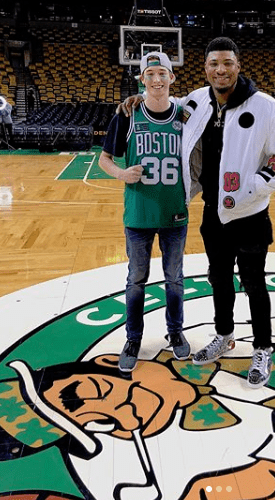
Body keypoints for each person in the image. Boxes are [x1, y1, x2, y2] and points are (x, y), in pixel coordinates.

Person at [118, 37, 275, 387]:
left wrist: (253, 187)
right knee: (218, 279)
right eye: (214, 64)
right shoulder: (197, 100)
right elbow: (166, 103)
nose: (220, 70)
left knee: (254, 283)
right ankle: (224, 335)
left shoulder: (266, 107)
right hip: (212, 212)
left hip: (250, 215)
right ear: (205, 68)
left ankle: (262, 347)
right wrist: (140, 98)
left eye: (227, 63)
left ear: (238, 66)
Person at [99, 51, 190, 372]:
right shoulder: (128, 115)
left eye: (162, 73)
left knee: (175, 279)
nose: (156, 79)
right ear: (141, 79)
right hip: (138, 214)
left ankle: (175, 332)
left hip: (175, 213)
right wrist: (121, 173)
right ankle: (133, 338)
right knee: (136, 280)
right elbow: (105, 159)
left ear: (172, 78)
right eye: (150, 74)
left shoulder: (185, 116)